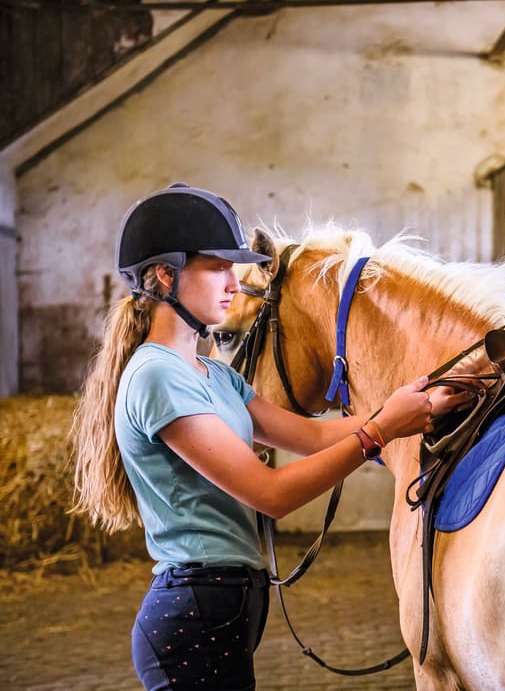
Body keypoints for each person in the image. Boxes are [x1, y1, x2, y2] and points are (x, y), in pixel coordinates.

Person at [70, 183, 466, 691]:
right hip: (193, 617)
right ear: (165, 275)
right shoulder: (156, 375)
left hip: (222, 612)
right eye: (215, 267)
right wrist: (380, 431)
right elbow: (271, 494)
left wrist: (418, 405)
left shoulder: (215, 376)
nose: (233, 283)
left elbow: (309, 436)